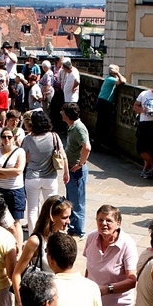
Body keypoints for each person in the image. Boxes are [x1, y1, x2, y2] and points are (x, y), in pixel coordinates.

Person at [12, 194, 71, 306]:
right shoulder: (36, 241)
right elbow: (16, 274)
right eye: (64, 217)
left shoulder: (63, 237)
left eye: (69, 217)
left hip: (57, 300)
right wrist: (21, 305)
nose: (68, 222)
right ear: (52, 217)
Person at [23, 110, 69, 235]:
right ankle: (49, 234)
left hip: (32, 177)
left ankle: (34, 236)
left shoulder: (28, 139)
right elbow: (63, 155)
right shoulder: (54, 136)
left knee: (33, 209)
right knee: (51, 209)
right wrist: (66, 172)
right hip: (50, 177)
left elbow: (24, 158)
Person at [62, 102, 91, 238]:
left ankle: (79, 231)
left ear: (68, 114)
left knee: (77, 201)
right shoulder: (72, 127)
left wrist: (81, 163)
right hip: (71, 169)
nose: (61, 114)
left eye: (63, 112)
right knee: (71, 199)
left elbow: (87, 147)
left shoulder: (79, 128)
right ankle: (73, 227)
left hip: (77, 170)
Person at [94, 63, 126, 149]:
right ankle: (98, 144)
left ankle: (99, 143)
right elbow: (123, 81)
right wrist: (118, 74)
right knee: (102, 124)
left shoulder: (110, 78)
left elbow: (123, 80)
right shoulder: (110, 79)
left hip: (104, 102)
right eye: (117, 70)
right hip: (104, 103)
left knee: (103, 124)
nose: (118, 72)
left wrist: (117, 74)